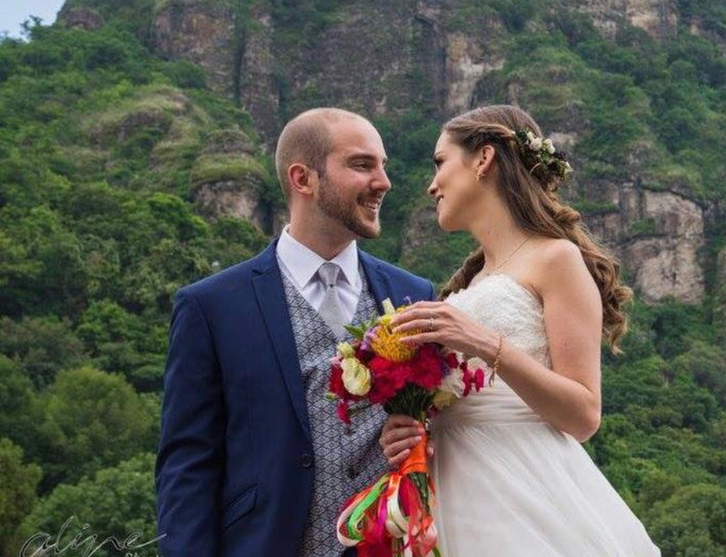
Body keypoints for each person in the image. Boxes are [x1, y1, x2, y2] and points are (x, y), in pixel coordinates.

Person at [155, 108, 435, 556]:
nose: (383, 182)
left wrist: (424, 440)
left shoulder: (412, 295)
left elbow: (441, 426)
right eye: (363, 165)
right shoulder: (211, 306)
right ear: (303, 178)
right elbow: (188, 465)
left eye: (383, 166)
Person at [384, 104, 660, 555]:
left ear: (483, 160)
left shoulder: (557, 259)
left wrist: (483, 343)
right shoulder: (469, 281)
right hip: (449, 491)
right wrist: (413, 425)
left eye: (440, 163)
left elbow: (584, 414)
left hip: (521, 487)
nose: (432, 185)